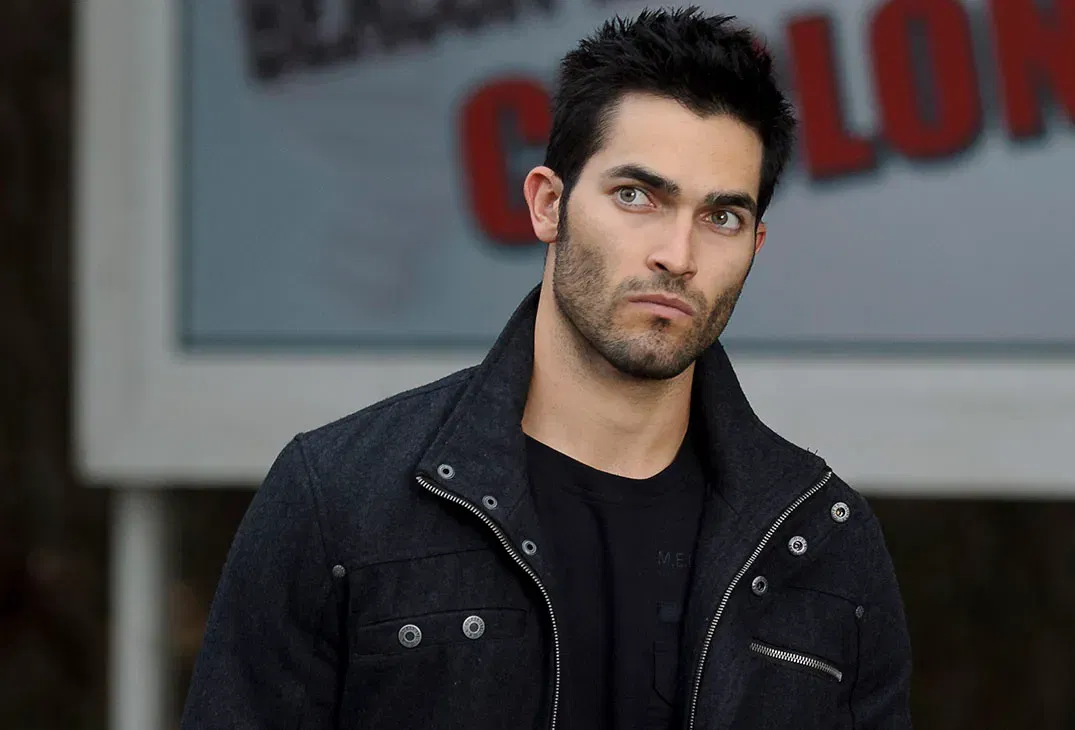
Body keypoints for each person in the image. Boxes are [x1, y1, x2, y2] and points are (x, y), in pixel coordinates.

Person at [180, 7, 912, 729]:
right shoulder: (340, 501)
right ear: (547, 205)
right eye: (636, 196)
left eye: (720, 217)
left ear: (755, 246)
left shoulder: (822, 543)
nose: (677, 256)